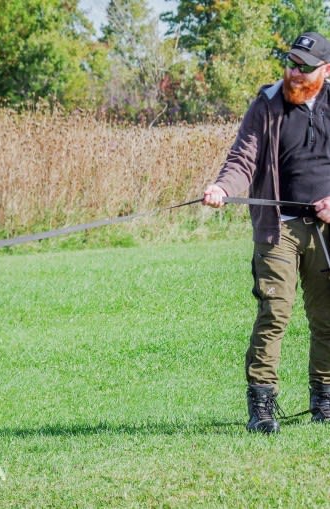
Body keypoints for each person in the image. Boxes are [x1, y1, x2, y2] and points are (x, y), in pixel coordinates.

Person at [203, 32, 330, 433]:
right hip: (278, 229)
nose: (295, 72)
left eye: (305, 66)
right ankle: (262, 407)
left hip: (326, 231)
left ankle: (324, 400)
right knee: (274, 312)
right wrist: (223, 188)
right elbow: (244, 157)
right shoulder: (268, 103)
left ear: (326, 70)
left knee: (327, 318)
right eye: (292, 62)